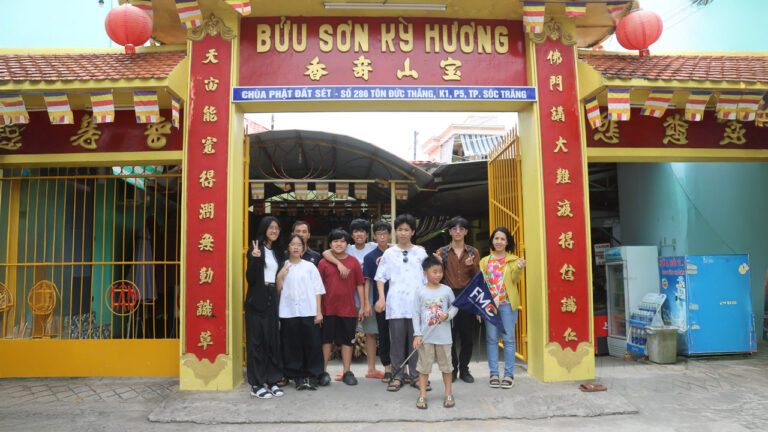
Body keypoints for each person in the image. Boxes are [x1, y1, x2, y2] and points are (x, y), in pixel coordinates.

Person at [374, 214, 428, 392]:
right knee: (396, 343)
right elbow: (380, 278)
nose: (403, 233)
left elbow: (428, 277)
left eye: (406, 229)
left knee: (416, 343)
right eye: (400, 230)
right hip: (396, 305)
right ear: (395, 232)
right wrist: (381, 298)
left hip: (417, 306)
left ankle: (416, 376)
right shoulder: (389, 254)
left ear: (412, 232)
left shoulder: (421, 253)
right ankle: (397, 376)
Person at [323, 218, 382, 380]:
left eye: (362, 231)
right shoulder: (346, 247)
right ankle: (344, 370)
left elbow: (389, 246)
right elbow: (326, 252)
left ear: (367, 234)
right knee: (345, 335)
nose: (359, 234)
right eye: (356, 231)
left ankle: (371, 369)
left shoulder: (372, 247)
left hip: (368, 300)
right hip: (347, 301)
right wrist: (339, 264)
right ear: (352, 234)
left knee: (370, 333)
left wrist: (415, 246)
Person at [433, 216, 480, 383]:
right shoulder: (443, 251)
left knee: (467, 335)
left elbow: (477, 278)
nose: (458, 231)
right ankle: (452, 369)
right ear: (450, 231)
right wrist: (437, 264)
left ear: (466, 231)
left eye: (461, 228)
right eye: (454, 228)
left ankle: (464, 369)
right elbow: (437, 277)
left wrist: (471, 265)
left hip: (467, 296)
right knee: (450, 336)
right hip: (449, 296)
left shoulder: (473, 252)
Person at [479, 226, 526, 390]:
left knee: (508, 340)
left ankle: (508, 374)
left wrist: (519, 268)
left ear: (507, 242)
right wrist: (480, 308)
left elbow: (515, 279)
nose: (499, 242)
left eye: (502, 239)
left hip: (506, 304)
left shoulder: (513, 260)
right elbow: (481, 285)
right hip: (489, 306)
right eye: (496, 238)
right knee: (491, 339)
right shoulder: (485, 261)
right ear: (492, 240)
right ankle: (493, 373)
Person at [276, 234, 325, 391]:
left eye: (299, 244)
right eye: (292, 244)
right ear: (288, 247)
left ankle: (312, 376)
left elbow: (318, 290)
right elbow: (277, 292)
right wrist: (280, 276)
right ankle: (296, 376)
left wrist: (319, 312)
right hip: (288, 311)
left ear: (304, 248)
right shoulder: (282, 266)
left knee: (312, 345)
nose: (296, 247)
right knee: (292, 346)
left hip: (308, 311)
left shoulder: (310, 267)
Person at [317, 229, 365, 386]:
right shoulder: (323, 263)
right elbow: (317, 287)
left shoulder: (353, 262)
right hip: (327, 309)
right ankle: (323, 372)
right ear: (330, 244)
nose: (339, 244)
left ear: (347, 244)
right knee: (326, 341)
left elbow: (360, 285)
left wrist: (364, 306)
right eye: (335, 241)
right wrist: (317, 311)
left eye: (342, 241)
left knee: (347, 341)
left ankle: (347, 371)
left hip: (348, 309)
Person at [245, 216, 285, 399]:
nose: (274, 231)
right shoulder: (256, 249)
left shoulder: (277, 251)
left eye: (277, 228)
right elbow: (251, 279)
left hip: (272, 297)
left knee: (272, 340)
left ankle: (273, 380)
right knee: (256, 342)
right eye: (271, 228)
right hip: (257, 297)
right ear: (264, 229)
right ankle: (257, 384)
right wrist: (254, 260)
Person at [412, 256, 458, 409]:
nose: (438, 275)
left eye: (440, 272)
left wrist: (448, 315)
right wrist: (417, 334)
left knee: (447, 367)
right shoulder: (420, 291)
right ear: (425, 273)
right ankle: (423, 394)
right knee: (424, 367)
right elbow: (416, 314)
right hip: (426, 337)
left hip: (444, 337)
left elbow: (455, 306)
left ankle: (448, 393)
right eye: (434, 272)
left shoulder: (447, 290)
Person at [363, 221, 393, 382]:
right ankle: (387, 368)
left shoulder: (397, 253)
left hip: (398, 301)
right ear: (374, 236)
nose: (382, 237)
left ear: (389, 235)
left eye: (385, 234)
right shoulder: (369, 257)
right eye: (379, 234)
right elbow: (367, 281)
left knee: (400, 335)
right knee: (383, 334)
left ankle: (403, 367)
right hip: (380, 302)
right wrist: (367, 303)